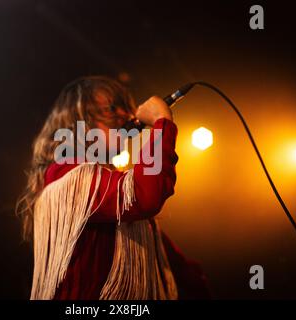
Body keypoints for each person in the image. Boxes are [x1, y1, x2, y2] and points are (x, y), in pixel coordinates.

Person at [16, 75, 211, 300]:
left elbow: (185, 273)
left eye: (126, 109)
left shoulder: (110, 186)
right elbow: (144, 195)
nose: (126, 117)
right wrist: (162, 122)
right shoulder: (64, 174)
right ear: (78, 121)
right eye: (111, 109)